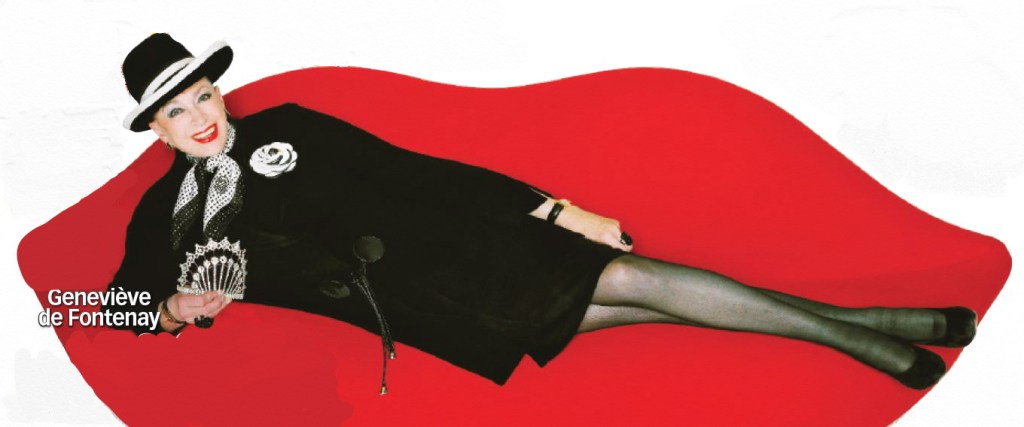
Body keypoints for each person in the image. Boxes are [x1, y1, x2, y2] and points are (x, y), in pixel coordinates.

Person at [104, 33, 976, 393]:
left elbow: (415, 171)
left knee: (638, 281)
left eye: (204, 93)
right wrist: (170, 308)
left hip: (467, 243)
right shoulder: (166, 217)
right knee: (640, 302)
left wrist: (557, 210)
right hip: (423, 308)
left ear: (219, 90)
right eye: (178, 110)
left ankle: (869, 337)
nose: (201, 116)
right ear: (157, 129)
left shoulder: (291, 125)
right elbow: (93, 305)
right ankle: (874, 323)